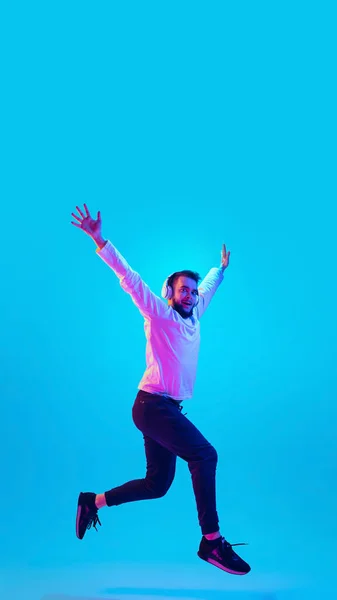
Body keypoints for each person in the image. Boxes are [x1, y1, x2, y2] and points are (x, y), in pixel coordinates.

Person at [71, 203, 250, 576]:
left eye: (191, 291)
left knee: (157, 484)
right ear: (168, 293)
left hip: (166, 409)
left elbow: (209, 286)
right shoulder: (159, 313)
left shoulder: (195, 313)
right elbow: (130, 278)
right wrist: (100, 241)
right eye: (181, 289)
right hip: (151, 406)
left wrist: (221, 269)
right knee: (205, 455)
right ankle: (212, 542)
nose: (188, 294)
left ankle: (93, 502)